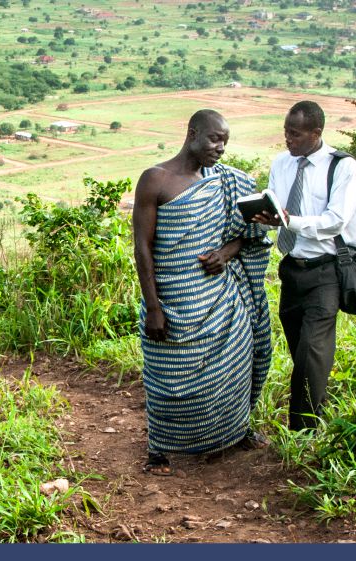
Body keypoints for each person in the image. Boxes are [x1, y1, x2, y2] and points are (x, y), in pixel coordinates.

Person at [131, 110, 273, 476]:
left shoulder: (226, 182)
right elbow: (142, 249)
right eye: (214, 139)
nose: (221, 148)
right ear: (192, 132)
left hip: (220, 299)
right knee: (167, 378)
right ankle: (159, 449)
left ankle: (236, 430)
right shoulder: (155, 179)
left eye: (225, 141)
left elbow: (250, 234)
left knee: (234, 366)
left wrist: (226, 253)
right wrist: (153, 307)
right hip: (173, 300)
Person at [253, 100, 356, 430]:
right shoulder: (282, 164)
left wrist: (290, 220)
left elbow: (335, 221)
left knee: (311, 352)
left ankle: (303, 432)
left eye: (295, 134)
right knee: (301, 349)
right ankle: (318, 410)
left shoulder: (342, 167)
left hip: (327, 269)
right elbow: (278, 210)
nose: (288, 139)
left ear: (316, 133)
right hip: (292, 269)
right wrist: (268, 218)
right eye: (286, 132)